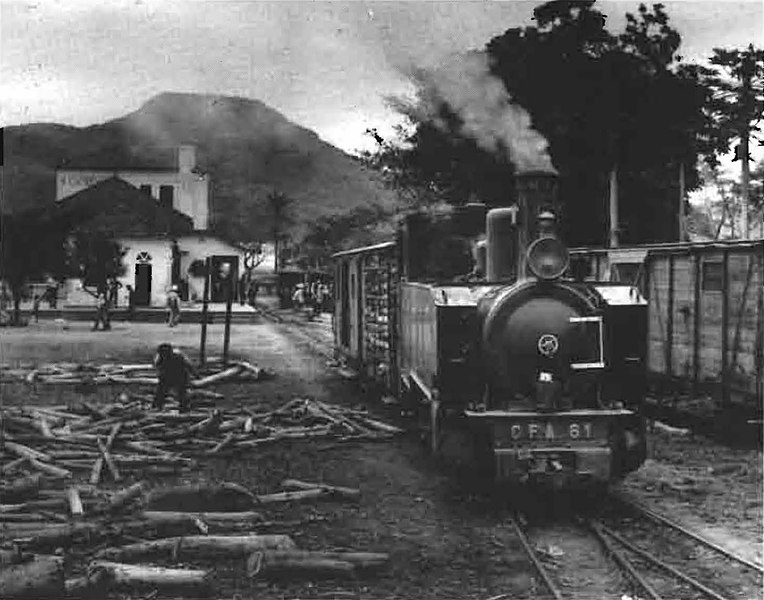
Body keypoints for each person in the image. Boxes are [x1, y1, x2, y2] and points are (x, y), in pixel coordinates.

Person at [153, 343, 198, 412]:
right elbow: (158, 368)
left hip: (180, 376)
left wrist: (195, 375)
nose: (164, 356)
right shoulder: (159, 358)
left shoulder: (178, 355)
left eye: (166, 354)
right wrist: (160, 376)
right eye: (163, 354)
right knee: (160, 391)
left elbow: (189, 365)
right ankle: (157, 406)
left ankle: (184, 407)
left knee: (182, 392)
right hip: (167, 376)